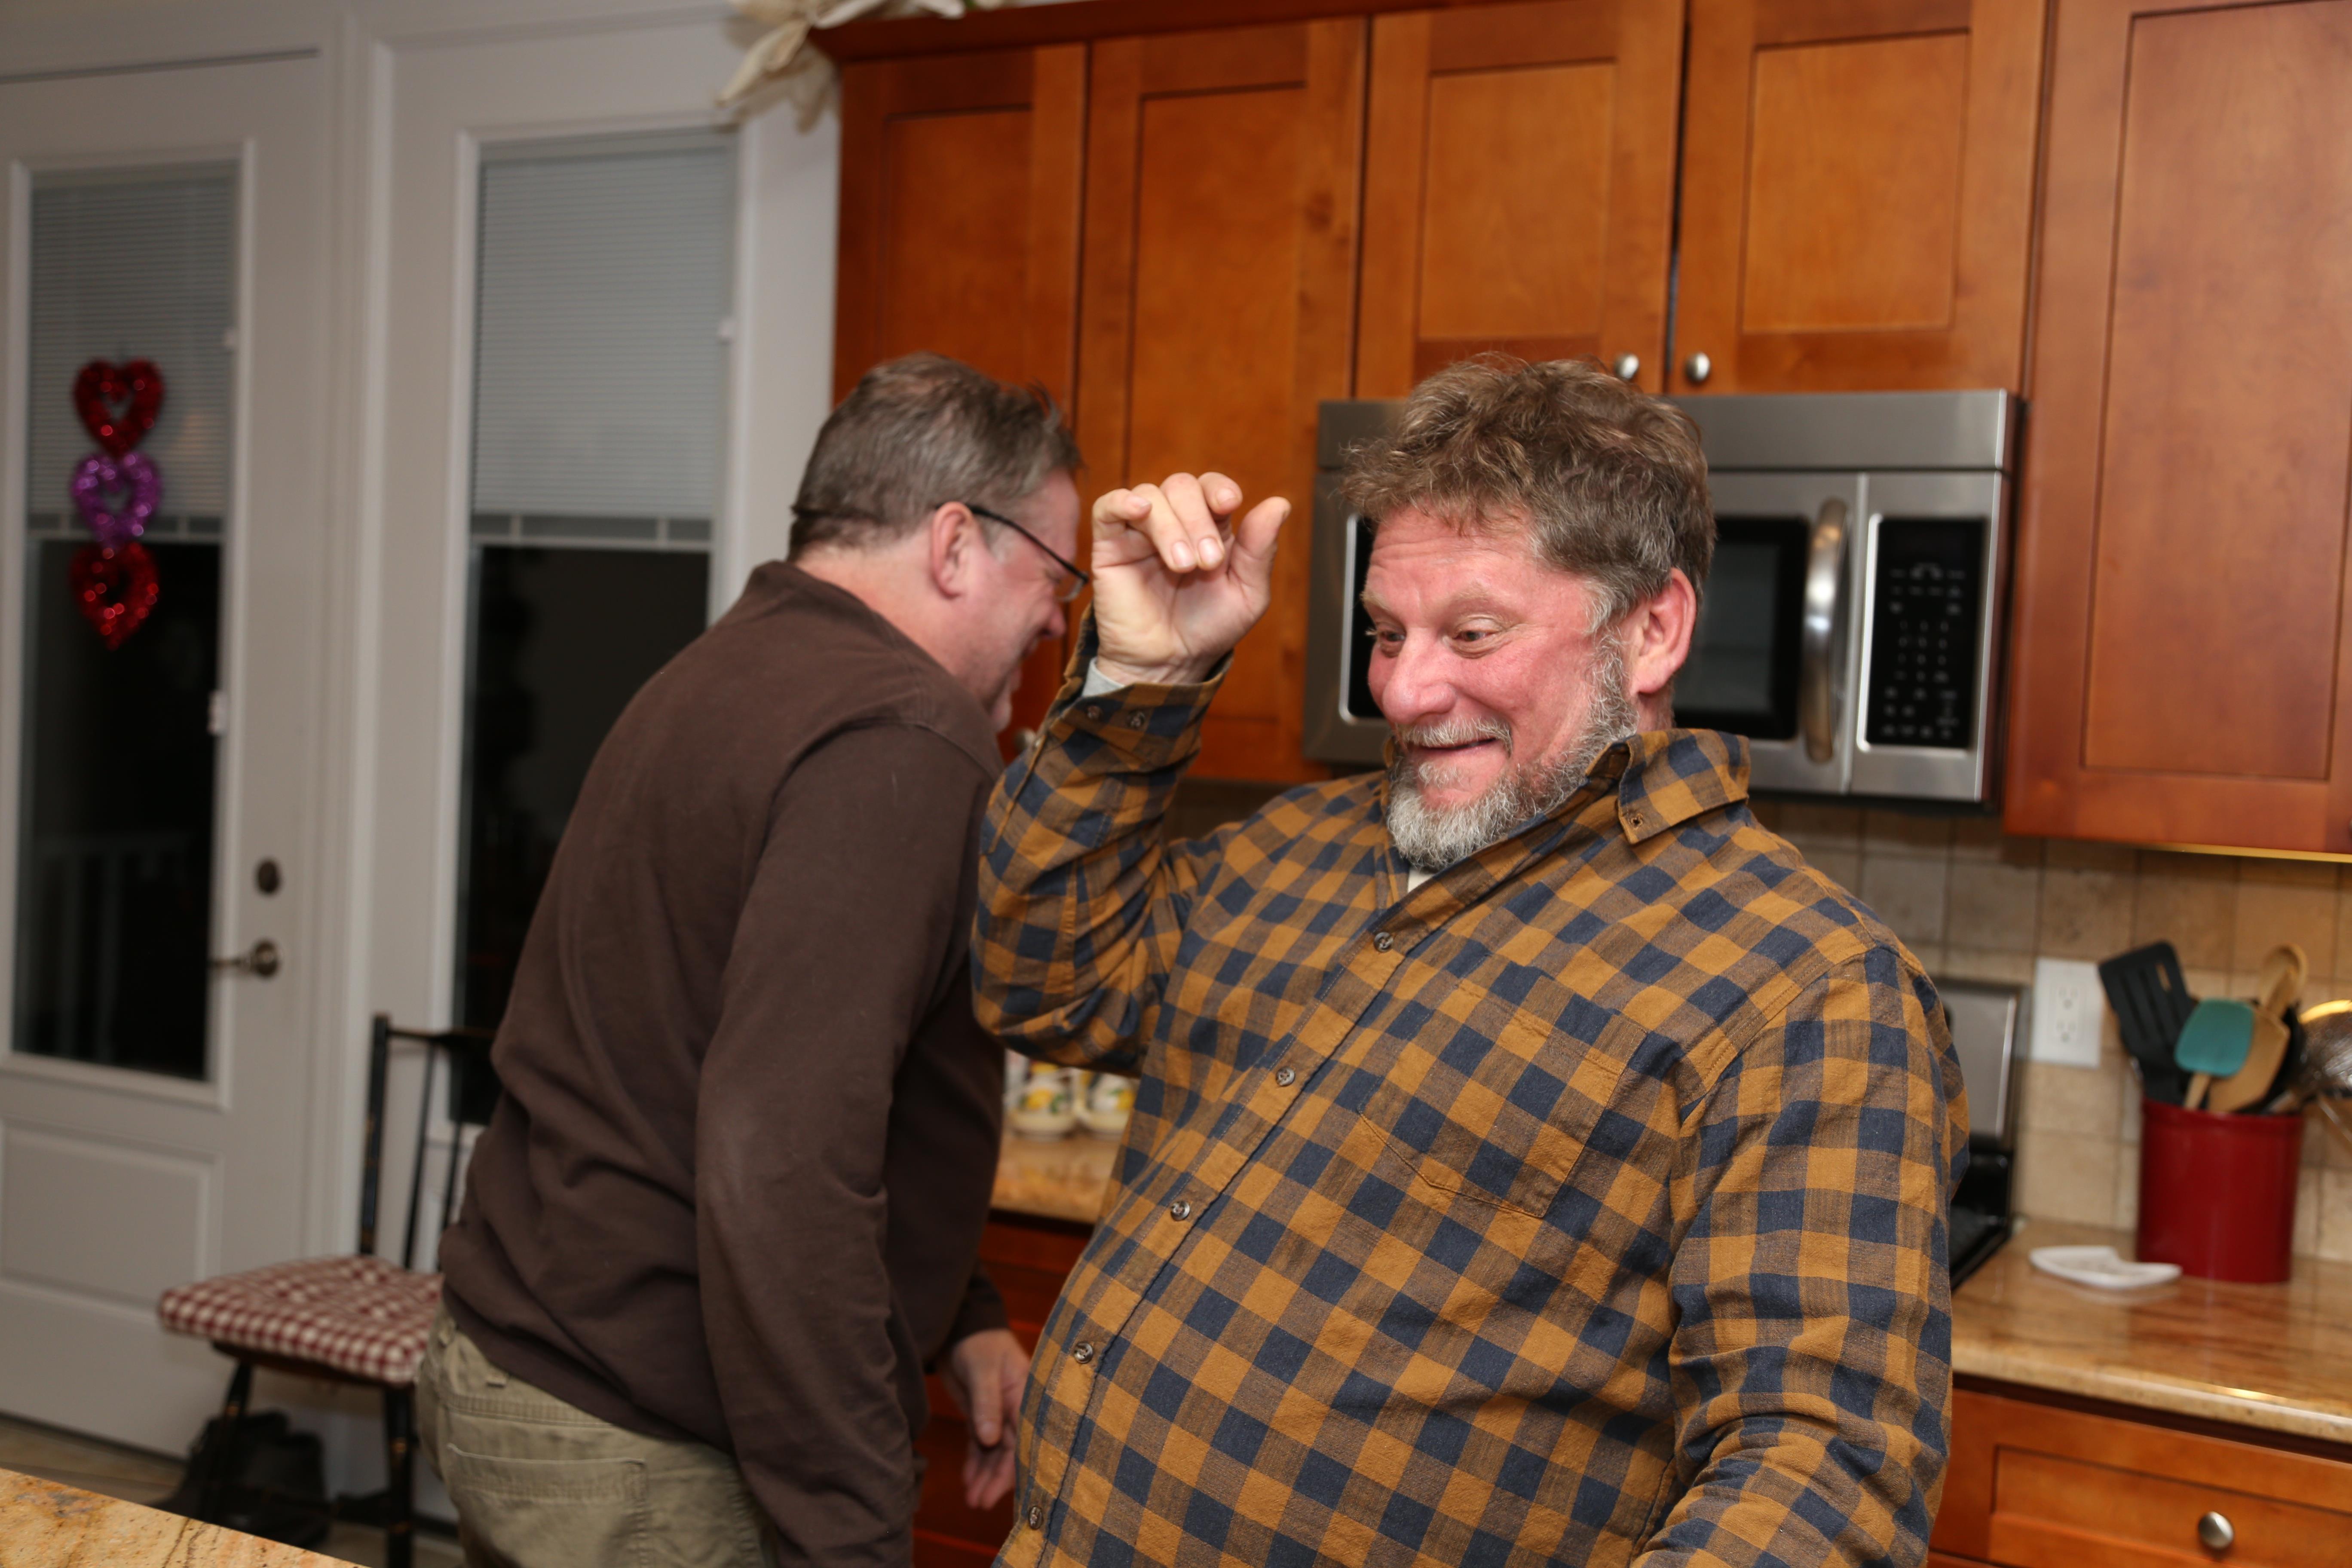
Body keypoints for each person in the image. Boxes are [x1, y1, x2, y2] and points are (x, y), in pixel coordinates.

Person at [971, 357, 1968, 1568]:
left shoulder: (1800, 988)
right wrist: (1142, 676)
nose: (1403, 688)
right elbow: (1042, 979)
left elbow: (1821, 1469)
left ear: (1652, 628)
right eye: (1387, 632)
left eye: (1472, 633)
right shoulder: (1300, 850)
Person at [423, 352, 1086, 1568]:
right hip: (649, 1440)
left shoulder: (730, 667)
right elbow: (779, 1159)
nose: (1058, 617)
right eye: (1053, 574)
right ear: (955, 545)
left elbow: (730, 1050)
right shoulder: (905, 734)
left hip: (522, 1360)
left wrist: (962, 1315)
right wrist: (849, 1531)